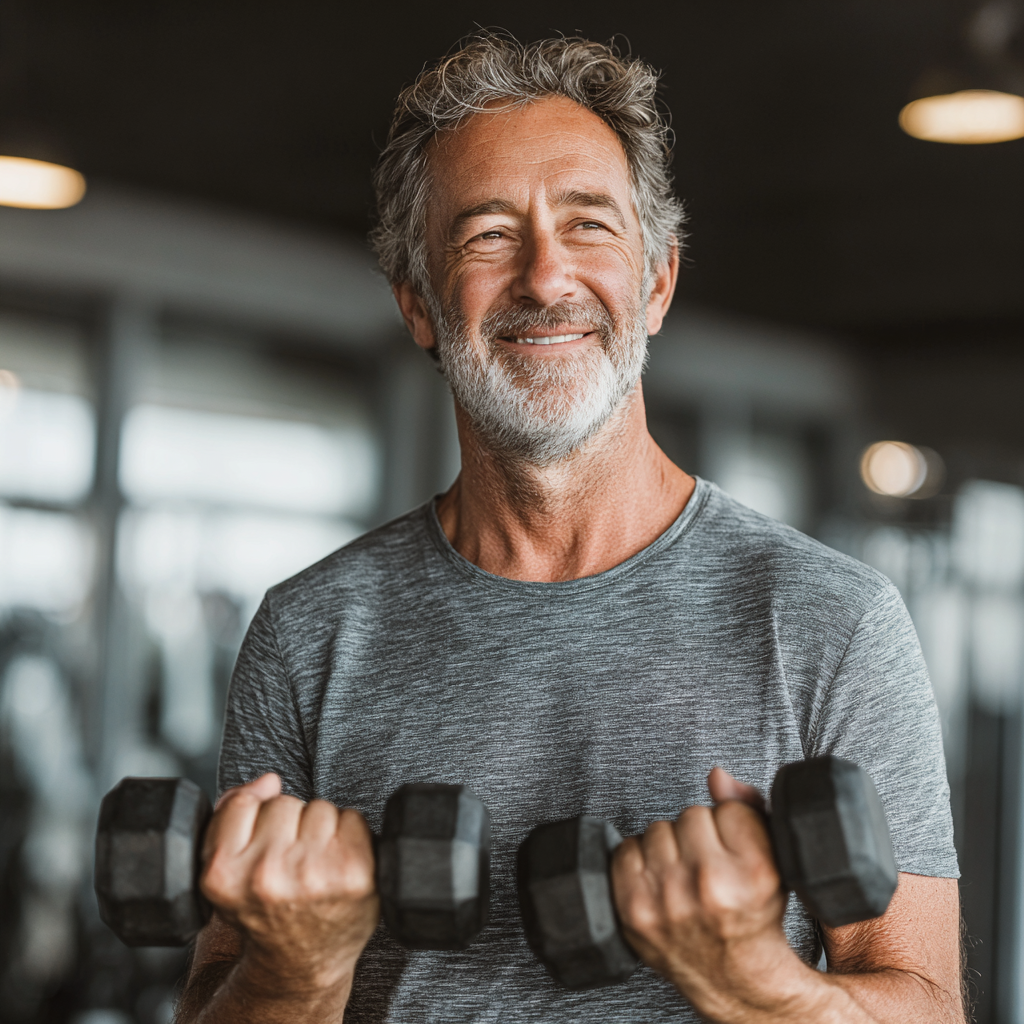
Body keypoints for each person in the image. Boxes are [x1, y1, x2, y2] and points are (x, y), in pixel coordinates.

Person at [176, 34, 964, 1024]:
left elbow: (929, 1004)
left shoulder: (831, 622)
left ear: (657, 283)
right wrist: (297, 970)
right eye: (487, 235)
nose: (546, 278)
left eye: (588, 225)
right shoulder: (309, 633)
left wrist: (752, 984)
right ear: (418, 302)